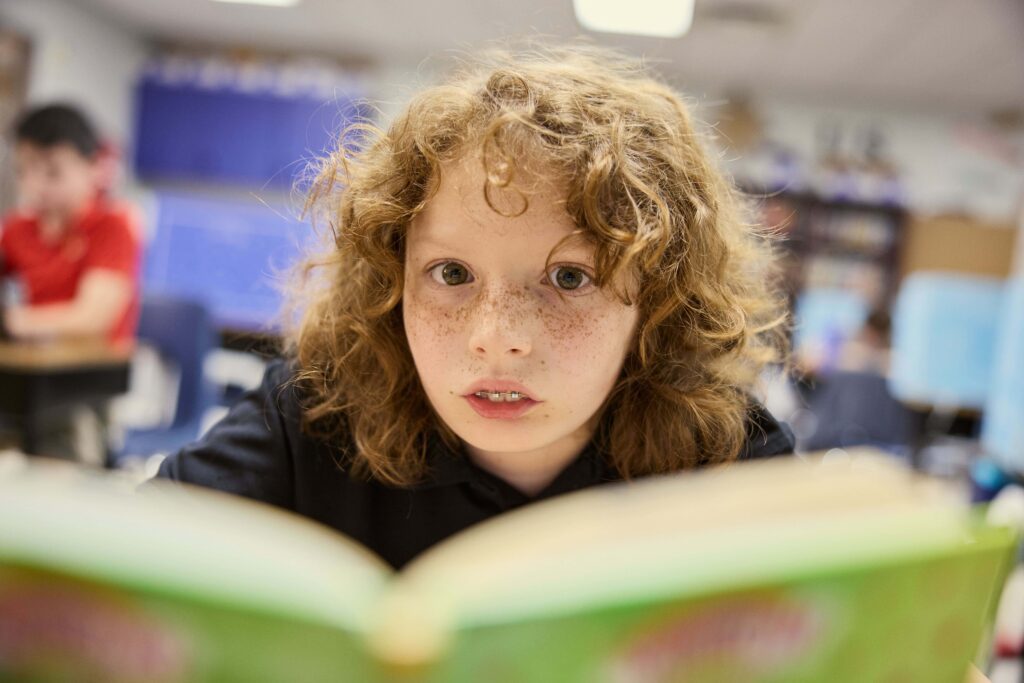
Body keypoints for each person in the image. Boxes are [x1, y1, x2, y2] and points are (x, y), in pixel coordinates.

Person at [155, 45, 794, 569]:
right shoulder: (313, 414)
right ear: (392, 277)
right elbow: (124, 563)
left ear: (657, 300)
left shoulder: (732, 463)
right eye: (451, 273)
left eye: (570, 277)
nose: (496, 338)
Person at [0, 103, 140, 345]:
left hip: (90, 372)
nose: (35, 186)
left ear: (93, 166)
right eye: (23, 171)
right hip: (33, 362)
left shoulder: (112, 227)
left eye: (53, 173)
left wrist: (13, 321)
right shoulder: (18, 228)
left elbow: (92, 318)